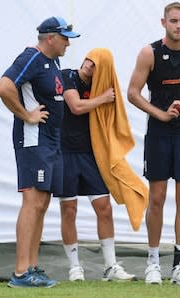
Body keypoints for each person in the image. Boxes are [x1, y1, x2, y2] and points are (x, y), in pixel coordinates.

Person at [127, 2, 180, 285]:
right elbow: (132, 93)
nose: (179, 26)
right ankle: (153, 263)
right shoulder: (149, 53)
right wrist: (161, 114)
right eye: (174, 21)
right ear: (163, 22)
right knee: (157, 197)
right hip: (159, 132)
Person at [0, 16, 80, 288]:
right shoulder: (30, 57)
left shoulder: (53, 62)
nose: (69, 42)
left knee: (42, 204)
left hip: (50, 142)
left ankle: (31, 267)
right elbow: (4, 87)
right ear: (50, 38)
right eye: (65, 37)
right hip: (34, 141)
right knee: (32, 203)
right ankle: (20, 272)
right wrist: (25, 115)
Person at [55, 48, 136, 282]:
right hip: (65, 152)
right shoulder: (67, 75)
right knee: (68, 210)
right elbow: (76, 106)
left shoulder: (103, 87)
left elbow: (115, 113)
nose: (90, 65)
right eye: (89, 59)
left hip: (91, 155)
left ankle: (110, 267)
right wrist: (102, 99)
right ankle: (74, 267)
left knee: (104, 208)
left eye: (96, 63)